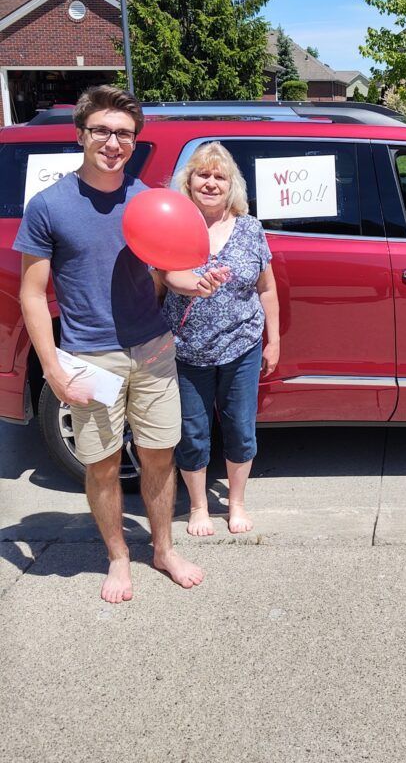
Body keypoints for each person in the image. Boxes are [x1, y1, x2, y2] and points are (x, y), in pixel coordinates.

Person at [15, 85, 225, 603]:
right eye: (102, 131)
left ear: (135, 141)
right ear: (80, 134)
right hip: (91, 357)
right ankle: (117, 556)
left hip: (152, 349)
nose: (113, 143)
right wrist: (53, 370)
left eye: (125, 134)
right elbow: (32, 295)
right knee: (103, 464)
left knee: (159, 457)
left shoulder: (147, 200)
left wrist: (195, 282)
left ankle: (163, 549)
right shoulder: (48, 206)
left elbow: (167, 271)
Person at [163, 142, 280, 537]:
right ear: (189, 181)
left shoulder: (250, 228)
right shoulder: (174, 225)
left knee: (240, 429)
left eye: (220, 176)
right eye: (203, 175)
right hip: (185, 349)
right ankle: (198, 506)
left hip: (242, 346)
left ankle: (236, 503)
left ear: (232, 185)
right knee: (192, 432)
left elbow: (267, 288)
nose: (211, 183)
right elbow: (164, 277)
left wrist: (273, 341)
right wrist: (193, 285)